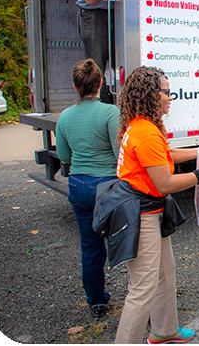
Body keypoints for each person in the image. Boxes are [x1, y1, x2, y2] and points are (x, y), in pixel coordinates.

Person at [113, 66, 199, 344]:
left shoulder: (144, 125)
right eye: (167, 92)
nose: (170, 97)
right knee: (142, 289)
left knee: (165, 273)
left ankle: (164, 331)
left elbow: (165, 156)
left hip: (148, 210)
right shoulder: (146, 133)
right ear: (151, 95)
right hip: (140, 215)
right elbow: (165, 183)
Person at [56, 59, 120, 318]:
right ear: (101, 83)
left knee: (90, 248)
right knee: (124, 242)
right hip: (106, 186)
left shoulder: (65, 116)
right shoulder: (110, 113)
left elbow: (63, 155)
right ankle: (141, 297)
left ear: (75, 86)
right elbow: (120, 155)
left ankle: (96, 301)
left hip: (78, 185)